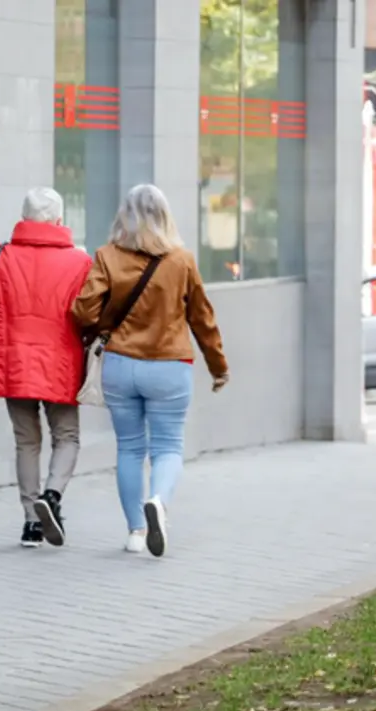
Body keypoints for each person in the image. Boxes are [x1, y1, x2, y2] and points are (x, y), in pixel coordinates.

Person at [72, 184, 228, 558]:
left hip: (121, 365)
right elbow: (202, 319)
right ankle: (158, 501)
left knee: (128, 448)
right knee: (168, 447)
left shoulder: (107, 256)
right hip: (169, 366)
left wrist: (104, 328)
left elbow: (83, 310)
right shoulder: (182, 261)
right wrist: (218, 366)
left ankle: (135, 532)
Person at [0, 188, 92, 549]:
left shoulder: (1, 254)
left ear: (24, 217)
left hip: (13, 360)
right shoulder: (80, 262)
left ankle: (31, 524)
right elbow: (90, 314)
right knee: (67, 436)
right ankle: (51, 497)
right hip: (61, 363)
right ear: (60, 220)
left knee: (26, 441)